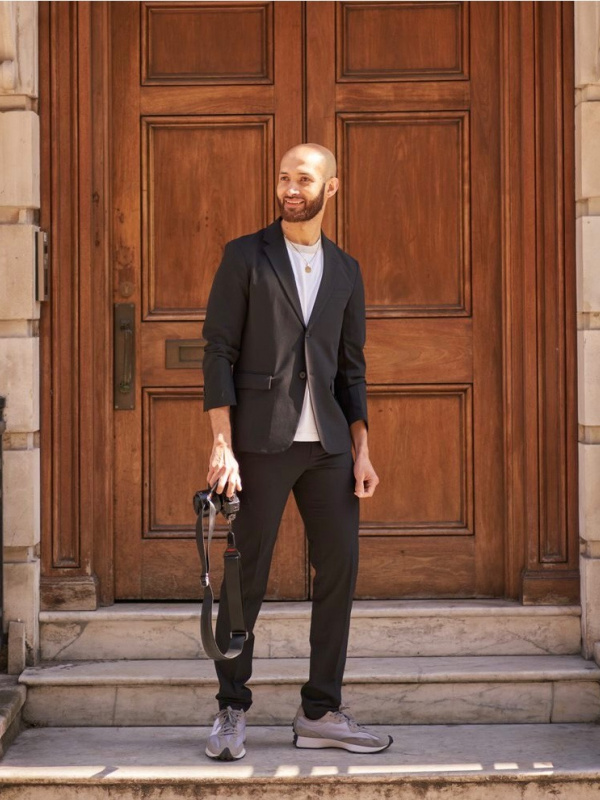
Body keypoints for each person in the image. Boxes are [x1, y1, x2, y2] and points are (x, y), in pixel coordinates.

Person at [201, 143, 391, 761]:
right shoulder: (244, 257)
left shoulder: (345, 270)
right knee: (244, 581)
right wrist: (222, 445)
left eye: (303, 179)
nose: (290, 187)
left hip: (331, 449)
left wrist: (362, 450)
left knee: (338, 572)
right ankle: (232, 709)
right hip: (259, 443)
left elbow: (351, 370)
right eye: (283, 177)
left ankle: (320, 709)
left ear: (330, 189)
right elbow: (218, 353)